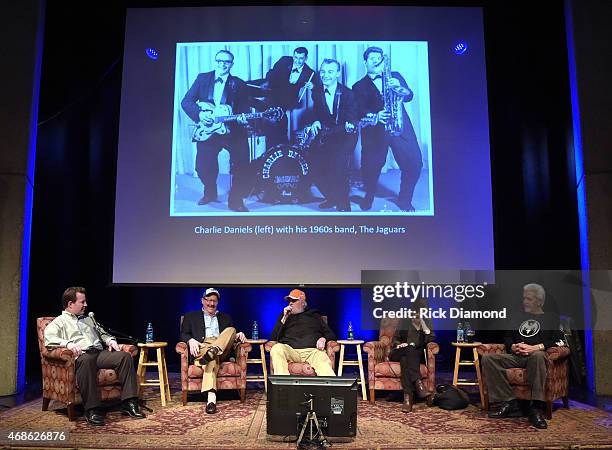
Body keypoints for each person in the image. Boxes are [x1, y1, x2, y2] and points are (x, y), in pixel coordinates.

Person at [43, 287, 145, 426]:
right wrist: (67, 344)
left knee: (124, 357)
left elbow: (102, 333)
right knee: (86, 361)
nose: (86, 305)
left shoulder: (89, 319)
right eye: (82, 302)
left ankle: (129, 402)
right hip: (82, 355)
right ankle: (92, 409)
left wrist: (110, 340)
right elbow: (49, 339)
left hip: (98, 353)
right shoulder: (59, 322)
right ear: (70, 304)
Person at [481, 283, 565, 429]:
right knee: (488, 359)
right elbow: (507, 337)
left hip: (537, 357)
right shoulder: (518, 317)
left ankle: (536, 407)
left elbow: (559, 340)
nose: (525, 301)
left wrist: (535, 348)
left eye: (529, 299)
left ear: (540, 301)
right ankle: (509, 402)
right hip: (517, 356)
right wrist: (513, 346)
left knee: (538, 356)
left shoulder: (551, 318)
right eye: (524, 298)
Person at [352, 46, 423, 212]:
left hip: (400, 127)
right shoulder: (358, 86)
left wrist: (399, 86)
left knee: (414, 163)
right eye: (372, 59)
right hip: (375, 131)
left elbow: (409, 95)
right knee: (370, 167)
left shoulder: (395, 76)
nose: (376, 61)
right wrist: (376, 115)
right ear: (365, 62)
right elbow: (358, 111)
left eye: (379, 58)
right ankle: (369, 196)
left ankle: (404, 200)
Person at [181, 49, 251, 212]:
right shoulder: (202, 78)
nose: (222, 64)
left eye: (226, 62)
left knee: (242, 164)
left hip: (232, 130)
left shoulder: (239, 84)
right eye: (219, 61)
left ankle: (236, 200)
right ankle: (210, 192)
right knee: (203, 167)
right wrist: (199, 114)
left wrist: (242, 118)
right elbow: (186, 101)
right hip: (209, 131)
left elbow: (244, 107)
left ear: (232, 64)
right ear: (215, 61)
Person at [180, 288, 246, 414]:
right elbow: (183, 334)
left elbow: (229, 338)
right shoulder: (190, 317)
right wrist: (190, 340)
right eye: (208, 300)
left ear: (218, 302)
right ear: (202, 301)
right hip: (202, 347)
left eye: (214, 301)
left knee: (232, 330)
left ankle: (213, 350)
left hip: (221, 350)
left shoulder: (226, 318)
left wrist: (237, 336)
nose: (211, 303)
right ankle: (211, 400)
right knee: (211, 357)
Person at [307, 58, 358, 212]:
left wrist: (350, 122)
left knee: (338, 167)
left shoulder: (348, 94)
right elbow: (317, 111)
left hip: (345, 135)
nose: (325, 75)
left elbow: (353, 115)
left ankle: (343, 203)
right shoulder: (316, 92)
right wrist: (315, 121)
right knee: (314, 166)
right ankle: (331, 197)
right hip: (326, 134)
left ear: (337, 73)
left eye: (330, 72)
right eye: (322, 72)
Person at [270, 289, 337, 375]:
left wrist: (323, 339)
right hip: (291, 352)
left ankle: (330, 387)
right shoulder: (284, 316)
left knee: (322, 357)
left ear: (302, 302)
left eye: (294, 300)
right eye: (289, 300)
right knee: (276, 348)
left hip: (312, 352)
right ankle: (282, 387)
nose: (290, 303)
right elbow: (274, 338)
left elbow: (331, 334)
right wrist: (284, 319)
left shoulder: (314, 315)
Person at [389, 298, 435, 413]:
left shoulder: (426, 323)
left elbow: (431, 339)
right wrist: (399, 344)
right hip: (399, 352)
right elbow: (395, 339)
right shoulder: (405, 322)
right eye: (417, 312)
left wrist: (424, 325)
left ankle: (408, 397)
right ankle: (418, 384)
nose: (418, 315)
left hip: (414, 356)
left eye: (422, 313)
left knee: (406, 360)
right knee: (408, 348)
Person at [266, 47, 317, 145]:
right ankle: (277, 144)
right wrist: (268, 83)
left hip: (287, 100)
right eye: (296, 57)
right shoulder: (284, 60)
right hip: (270, 92)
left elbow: (318, 88)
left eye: (301, 58)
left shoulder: (309, 73)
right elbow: (271, 72)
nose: (297, 61)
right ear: (293, 56)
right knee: (247, 87)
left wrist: (313, 86)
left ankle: (282, 145)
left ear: (306, 58)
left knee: (279, 120)